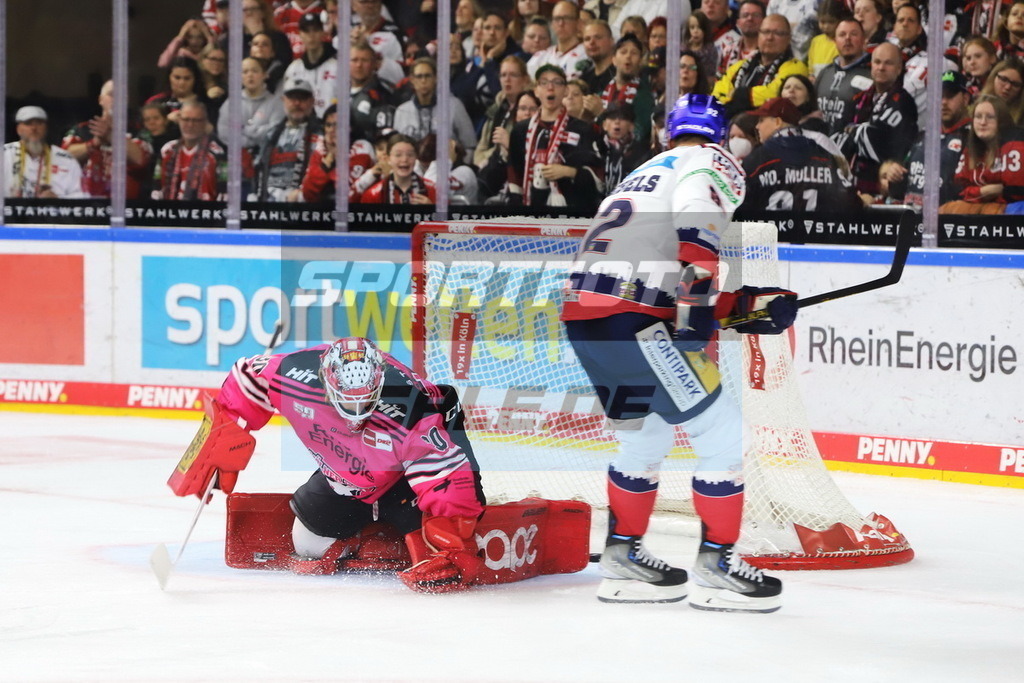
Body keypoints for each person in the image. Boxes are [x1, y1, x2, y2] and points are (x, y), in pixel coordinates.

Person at [561, 93, 791, 610]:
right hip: (634, 321)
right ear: (721, 132)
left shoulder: (641, 172)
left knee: (645, 437)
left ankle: (622, 559)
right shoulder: (710, 160)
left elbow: (659, 269)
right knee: (723, 432)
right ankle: (718, 567)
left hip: (587, 318)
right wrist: (701, 309)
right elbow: (695, 239)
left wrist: (741, 305)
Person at [172, 336, 488, 593]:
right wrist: (223, 435)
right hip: (349, 473)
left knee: (432, 547)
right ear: (326, 381)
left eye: (365, 400)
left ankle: (422, 526)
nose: (356, 411)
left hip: (408, 476)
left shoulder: (409, 410)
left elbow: (445, 471)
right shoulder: (293, 373)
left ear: (378, 384)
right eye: (346, 399)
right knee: (307, 546)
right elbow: (246, 377)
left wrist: (454, 539)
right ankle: (367, 529)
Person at [507, 64, 604, 211]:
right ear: (536, 91)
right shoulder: (521, 130)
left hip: (572, 211)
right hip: (531, 211)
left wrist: (570, 172)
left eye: (557, 82)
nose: (550, 87)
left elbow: (598, 178)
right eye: (544, 82)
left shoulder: (582, 129)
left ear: (565, 91)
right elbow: (514, 175)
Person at [740, 97, 858, 212]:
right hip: (816, 230)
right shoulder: (824, 156)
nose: (757, 126)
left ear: (777, 122)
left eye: (761, 120)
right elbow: (849, 202)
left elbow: (739, 210)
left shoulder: (756, 160)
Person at [838, 41, 917, 197]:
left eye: (888, 63)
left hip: (884, 187)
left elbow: (879, 141)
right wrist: (858, 132)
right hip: (854, 184)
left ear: (899, 69)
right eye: (877, 62)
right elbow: (838, 136)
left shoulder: (902, 101)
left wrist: (854, 131)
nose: (881, 67)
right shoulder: (859, 98)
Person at [61, 79, 152, 200]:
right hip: (86, 207)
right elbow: (63, 158)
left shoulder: (138, 131)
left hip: (125, 208)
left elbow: (140, 159)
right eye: (112, 94)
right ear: (100, 100)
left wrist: (111, 136)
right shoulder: (82, 129)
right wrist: (94, 143)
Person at [896, 70, 973, 209]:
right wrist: (892, 174)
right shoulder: (923, 134)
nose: (943, 102)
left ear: (965, 99)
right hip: (910, 218)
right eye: (939, 96)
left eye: (950, 96)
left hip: (949, 220)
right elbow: (900, 182)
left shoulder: (973, 137)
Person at [712, 14, 809, 118]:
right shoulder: (739, 66)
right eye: (766, 32)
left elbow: (776, 93)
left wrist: (740, 95)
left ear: (788, 38)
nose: (770, 37)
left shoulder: (796, 67)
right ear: (758, 35)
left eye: (778, 33)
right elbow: (717, 94)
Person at [250, 77, 322, 202]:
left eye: (302, 98)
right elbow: (258, 168)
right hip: (269, 204)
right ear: (283, 100)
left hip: (305, 203)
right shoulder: (270, 134)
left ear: (312, 101)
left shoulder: (322, 134)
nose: (297, 103)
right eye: (292, 98)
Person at [392, 57, 478, 158]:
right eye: (419, 76)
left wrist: (461, 166)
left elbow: (470, 145)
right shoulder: (402, 111)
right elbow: (396, 148)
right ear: (412, 80)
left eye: (428, 76)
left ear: (436, 78)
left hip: (447, 168)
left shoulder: (454, 106)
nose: (423, 80)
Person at [4, 106, 85, 198]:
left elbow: (81, 196)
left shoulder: (67, 159)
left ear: (46, 128)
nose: (34, 128)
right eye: (28, 123)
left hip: (53, 211)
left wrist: (57, 200)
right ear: (18, 129)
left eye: (38, 123)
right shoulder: (4, 154)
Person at [151, 101, 226, 201]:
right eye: (186, 120)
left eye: (196, 120)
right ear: (179, 121)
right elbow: (156, 190)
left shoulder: (218, 154)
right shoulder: (167, 150)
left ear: (204, 123)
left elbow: (224, 194)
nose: (190, 125)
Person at [815, 17, 872, 136]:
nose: (847, 38)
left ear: (864, 40)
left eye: (854, 34)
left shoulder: (872, 73)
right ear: (835, 40)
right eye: (842, 34)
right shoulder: (825, 73)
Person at [217, 57, 285, 152]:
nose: (250, 75)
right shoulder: (231, 103)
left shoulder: (276, 103)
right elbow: (224, 132)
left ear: (264, 74)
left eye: (255, 71)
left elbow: (274, 131)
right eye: (245, 72)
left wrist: (243, 129)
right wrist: (249, 144)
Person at [283, 13, 338, 118]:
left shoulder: (338, 66)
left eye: (315, 30)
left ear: (323, 32)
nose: (311, 36)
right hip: (304, 125)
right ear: (300, 34)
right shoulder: (294, 68)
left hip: (331, 126)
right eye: (306, 31)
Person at [356, 133, 436, 204]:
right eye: (398, 155)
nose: (404, 159)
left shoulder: (433, 190)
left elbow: (445, 219)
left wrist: (431, 209)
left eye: (410, 155)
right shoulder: (372, 195)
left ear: (416, 158)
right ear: (388, 158)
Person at [527, 1, 588, 80]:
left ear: (578, 23)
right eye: (557, 19)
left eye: (566, 18)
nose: (561, 23)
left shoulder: (586, 54)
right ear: (552, 23)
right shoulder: (541, 56)